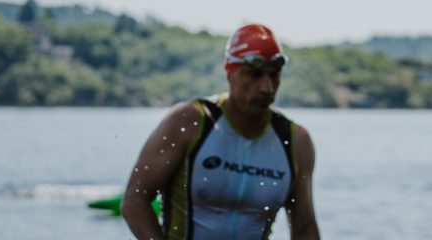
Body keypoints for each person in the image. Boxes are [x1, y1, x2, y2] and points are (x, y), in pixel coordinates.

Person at [123, 24, 320, 240]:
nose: (267, 87)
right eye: (254, 75)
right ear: (229, 72)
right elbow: (135, 199)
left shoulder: (296, 141)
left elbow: (305, 229)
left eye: (274, 75)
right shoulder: (189, 122)